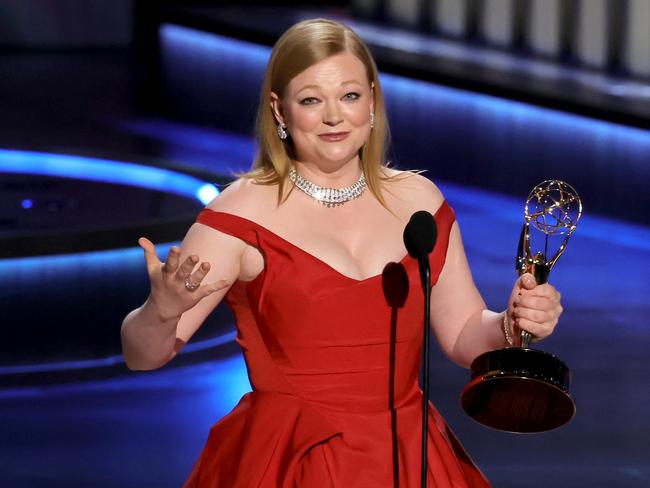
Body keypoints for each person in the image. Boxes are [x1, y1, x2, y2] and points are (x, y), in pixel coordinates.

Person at [121, 18, 563, 487]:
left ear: (372, 102)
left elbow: (462, 336)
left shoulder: (419, 202)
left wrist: (512, 324)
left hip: (406, 455)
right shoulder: (241, 214)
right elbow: (143, 355)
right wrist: (162, 311)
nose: (335, 116)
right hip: (292, 461)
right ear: (280, 110)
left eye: (350, 96)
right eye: (311, 100)